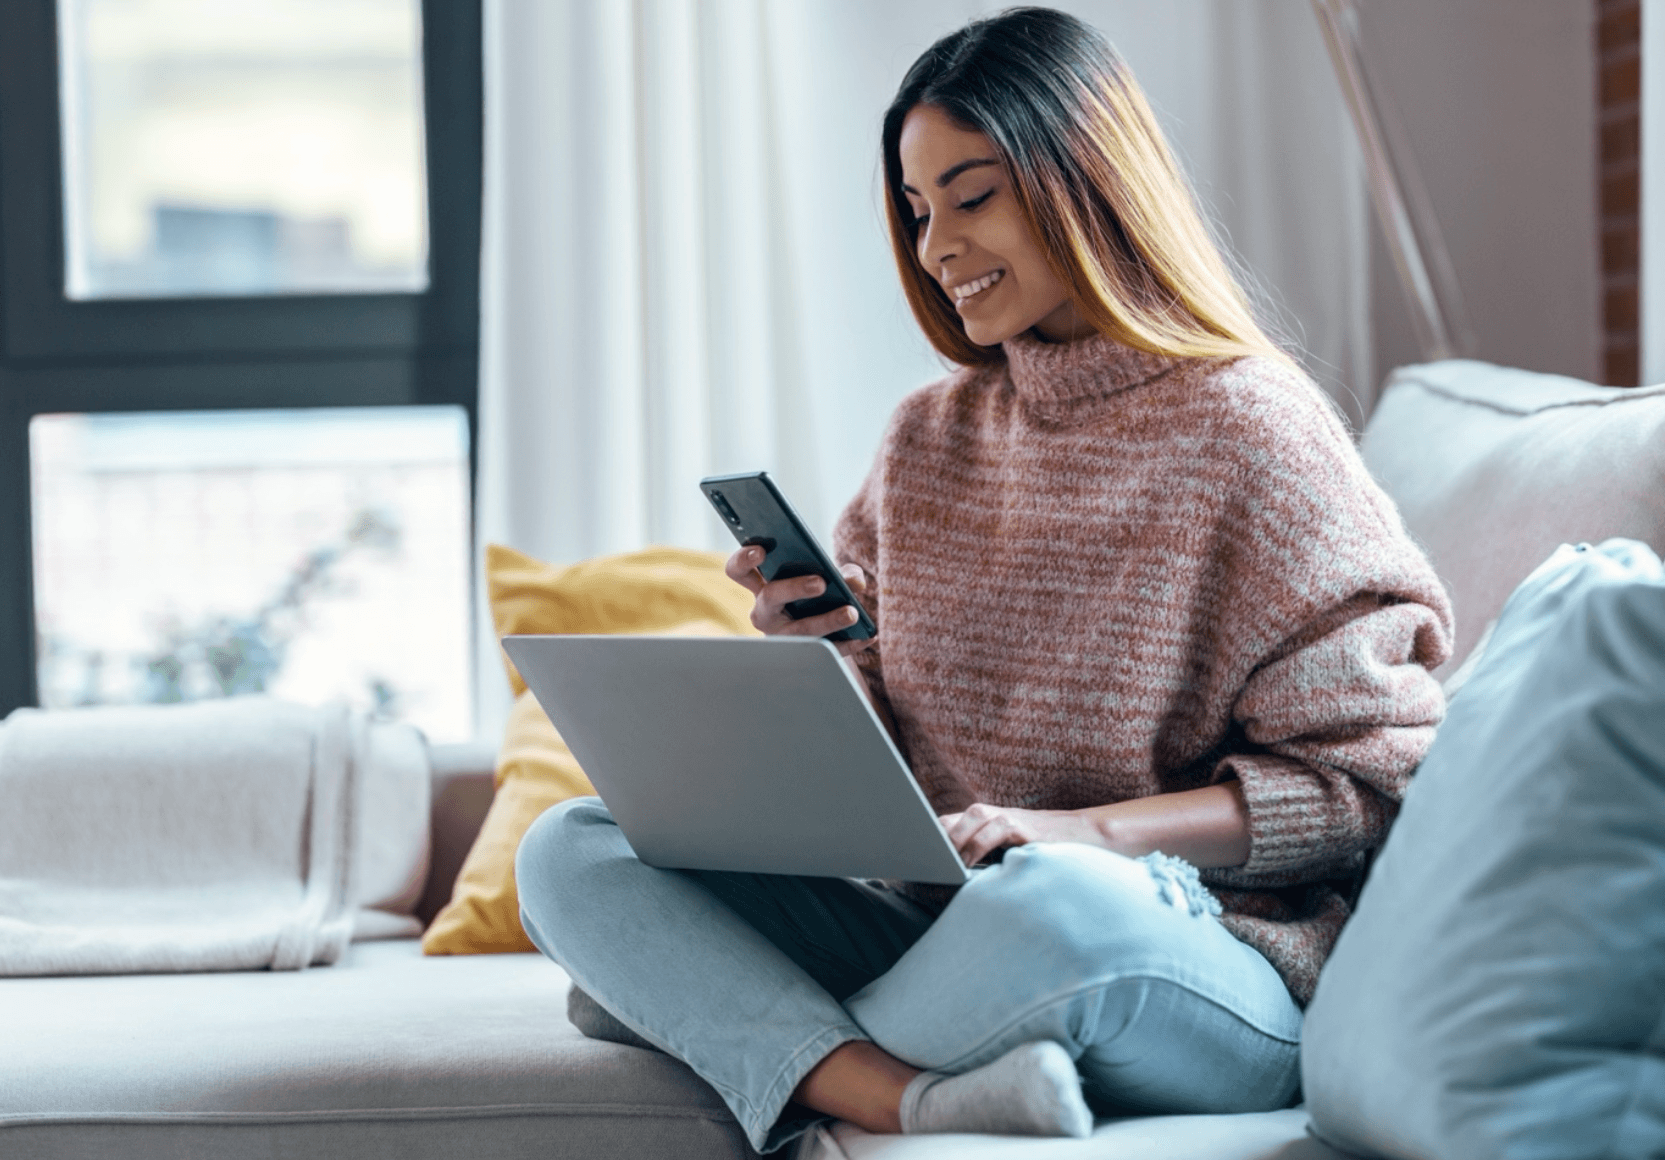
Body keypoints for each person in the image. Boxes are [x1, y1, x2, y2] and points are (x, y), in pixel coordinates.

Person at [516, 7, 1451, 1152]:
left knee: (1056, 908)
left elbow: (1370, 780)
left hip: (1182, 948)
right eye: (914, 211)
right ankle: (899, 1096)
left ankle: (723, 1018)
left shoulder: (1252, 431)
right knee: (571, 847)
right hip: (937, 925)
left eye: (970, 195)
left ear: (1084, 178)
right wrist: (813, 666)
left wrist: (1087, 834)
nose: (935, 246)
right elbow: (885, 754)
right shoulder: (925, 440)